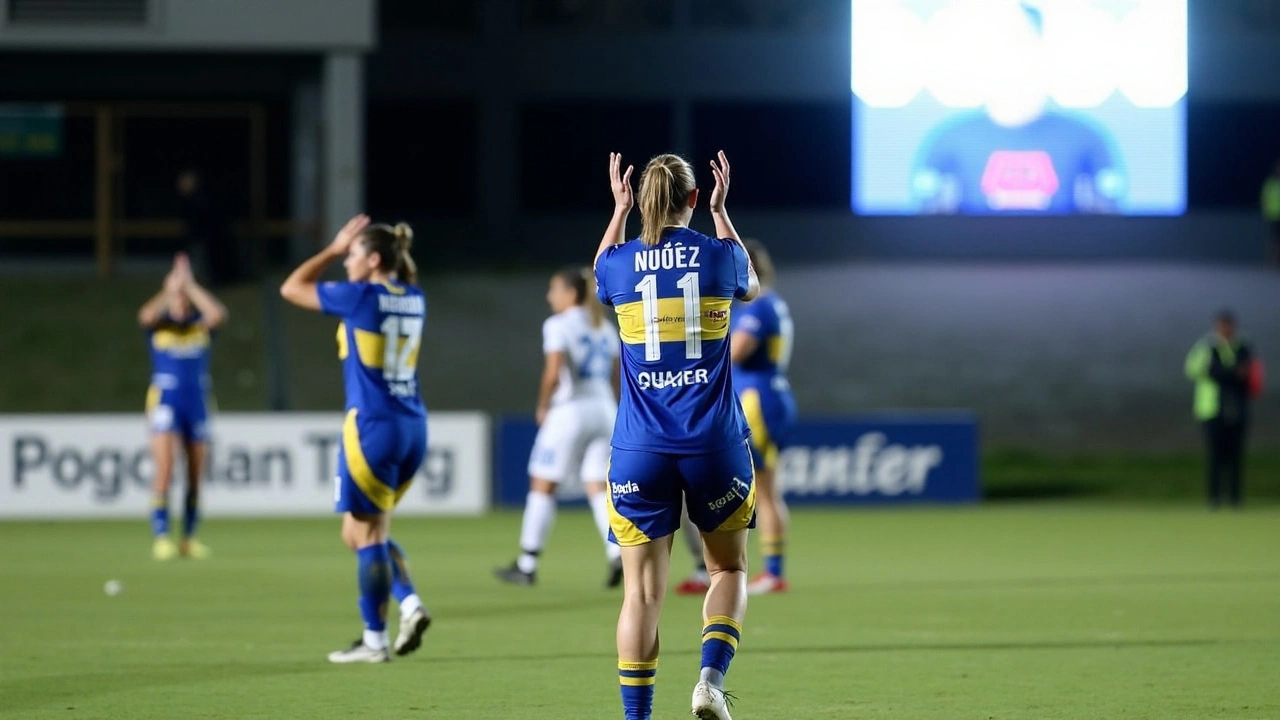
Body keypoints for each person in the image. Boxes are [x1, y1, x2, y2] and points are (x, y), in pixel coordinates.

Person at [594, 150, 760, 720]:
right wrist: (721, 211)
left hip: (640, 448)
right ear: (694, 197)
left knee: (641, 595)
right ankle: (709, 682)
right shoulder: (720, 256)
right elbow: (753, 287)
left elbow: (599, 276)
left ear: (639, 200)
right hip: (714, 443)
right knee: (729, 570)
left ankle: (637, 718)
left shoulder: (619, 262)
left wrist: (617, 214)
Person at [279, 214, 433, 663]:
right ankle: (410, 605)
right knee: (361, 532)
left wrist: (327, 250)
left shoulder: (362, 297)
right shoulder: (415, 297)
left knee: (366, 535)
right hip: (413, 426)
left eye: (351, 256)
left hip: (372, 427)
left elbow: (291, 288)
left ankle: (374, 641)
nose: (345, 264)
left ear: (373, 259)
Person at [910, 1, 1124, 214]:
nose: (1008, 54)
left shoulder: (1086, 139)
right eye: (996, 44)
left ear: (1042, 50)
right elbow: (927, 233)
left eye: (1018, 40)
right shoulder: (948, 140)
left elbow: (1110, 232)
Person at [676, 239, 797, 596]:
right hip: (767, 394)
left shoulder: (757, 308)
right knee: (762, 487)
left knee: (766, 488)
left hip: (758, 400)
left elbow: (734, 353)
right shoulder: (771, 304)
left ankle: (770, 572)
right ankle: (730, 568)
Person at [495, 266, 624, 588]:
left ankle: (526, 564)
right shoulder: (604, 327)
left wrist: (543, 405)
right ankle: (616, 552)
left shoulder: (557, 325)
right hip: (605, 410)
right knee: (597, 487)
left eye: (554, 290)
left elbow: (553, 373)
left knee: (543, 483)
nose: (549, 296)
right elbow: (617, 378)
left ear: (570, 293)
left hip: (571, 411)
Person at [138, 252, 226, 561]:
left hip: (197, 400)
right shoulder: (160, 327)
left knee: (194, 474)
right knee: (165, 468)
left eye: (183, 298)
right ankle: (161, 537)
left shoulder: (199, 326)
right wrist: (169, 289)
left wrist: (189, 286)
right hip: (166, 400)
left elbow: (218, 314)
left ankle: (188, 538)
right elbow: (145, 315)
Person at [1184, 310, 1257, 509]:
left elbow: (1250, 372)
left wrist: (1223, 372)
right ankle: (1214, 498)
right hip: (1212, 408)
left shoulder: (1243, 346)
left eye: (1229, 326)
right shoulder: (1206, 346)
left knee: (1235, 454)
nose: (1226, 330)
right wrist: (1230, 372)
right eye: (1222, 326)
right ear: (1216, 327)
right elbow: (1192, 369)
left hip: (1237, 406)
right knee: (1215, 454)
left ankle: (1235, 498)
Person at [1260, 161, 1280, 266]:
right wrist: (1264, 212)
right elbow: (1264, 198)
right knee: (1273, 239)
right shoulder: (1270, 183)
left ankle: (1276, 262)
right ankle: (1270, 262)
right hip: (1272, 215)